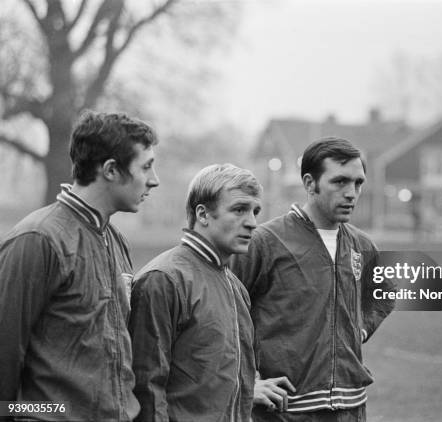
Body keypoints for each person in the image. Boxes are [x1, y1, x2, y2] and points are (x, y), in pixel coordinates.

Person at [0, 111, 160, 420]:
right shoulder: (38, 239)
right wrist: (49, 413)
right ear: (111, 170)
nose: (154, 180)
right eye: (146, 166)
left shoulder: (115, 239)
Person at [231, 137, 395, 421]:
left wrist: (359, 330)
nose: (351, 193)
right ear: (309, 183)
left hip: (350, 406)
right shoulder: (264, 242)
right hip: (284, 410)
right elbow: (224, 312)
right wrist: (247, 382)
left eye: (358, 183)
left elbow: (384, 294)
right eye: (340, 182)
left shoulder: (362, 245)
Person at [129, 164, 264, 421]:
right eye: (239, 210)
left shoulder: (237, 288)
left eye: (255, 211)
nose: (252, 222)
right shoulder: (164, 279)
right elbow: (146, 388)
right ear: (203, 214)